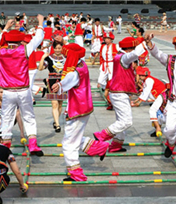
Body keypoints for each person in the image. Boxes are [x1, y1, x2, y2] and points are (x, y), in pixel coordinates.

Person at [51, 38, 109, 182]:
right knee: (74, 137)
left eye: (66, 55)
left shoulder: (75, 71)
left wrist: (59, 85)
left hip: (77, 109)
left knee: (69, 143)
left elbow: (67, 80)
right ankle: (99, 147)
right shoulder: (81, 64)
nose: (64, 57)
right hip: (84, 107)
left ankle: (76, 172)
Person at [0, 15, 44, 156]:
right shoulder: (25, 50)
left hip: (8, 91)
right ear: (21, 40)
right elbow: (38, 38)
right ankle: (32, 144)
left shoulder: (1, 51)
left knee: (7, 118)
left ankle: (6, 146)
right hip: (24, 90)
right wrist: (40, 23)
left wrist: (6, 28)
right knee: (29, 117)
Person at [93, 37, 147, 153]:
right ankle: (101, 135)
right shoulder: (124, 58)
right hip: (119, 93)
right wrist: (145, 43)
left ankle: (116, 145)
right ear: (129, 49)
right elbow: (136, 54)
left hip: (119, 93)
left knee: (121, 121)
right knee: (126, 122)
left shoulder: (119, 56)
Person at [144, 34, 176, 157]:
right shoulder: (171, 61)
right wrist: (149, 43)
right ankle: (171, 142)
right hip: (173, 102)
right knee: (169, 130)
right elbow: (158, 54)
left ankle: (171, 144)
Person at [38, 41, 66, 132]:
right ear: (53, 49)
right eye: (56, 48)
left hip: (63, 82)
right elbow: (40, 68)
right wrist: (42, 57)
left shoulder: (65, 58)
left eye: (59, 48)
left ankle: (56, 120)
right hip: (52, 82)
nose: (58, 50)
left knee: (60, 104)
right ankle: (57, 125)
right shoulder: (49, 58)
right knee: (54, 104)